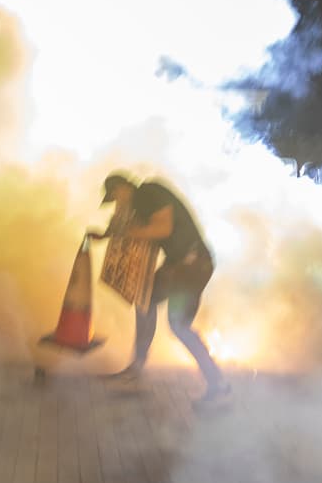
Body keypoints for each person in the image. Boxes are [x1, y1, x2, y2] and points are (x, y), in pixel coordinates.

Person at [92, 172, 230, 404]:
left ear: (124, 188)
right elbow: (130, 226)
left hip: (192, 265)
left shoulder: (148, 193)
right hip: (180, 265)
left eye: (116, 197)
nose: (117, 203)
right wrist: (105, 235)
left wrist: (126, 232)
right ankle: (136, 372)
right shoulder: (141, 203)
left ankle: (219, 386)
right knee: (146, 301)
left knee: (178, 325)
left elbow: (162, 229)